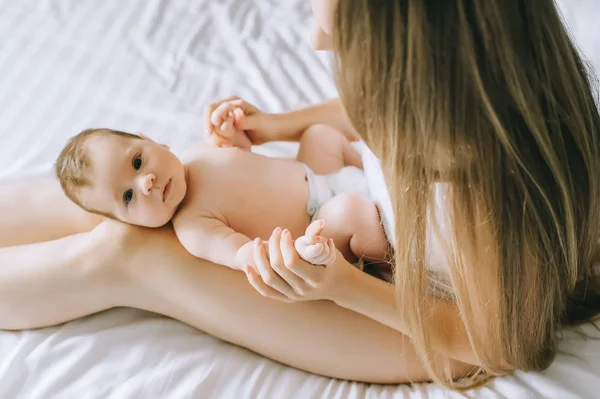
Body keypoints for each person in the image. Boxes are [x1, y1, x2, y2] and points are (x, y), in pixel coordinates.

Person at [1, 0, 599, 390]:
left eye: (333, 29)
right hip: (382, 223)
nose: (315, 40)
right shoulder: (469, 92)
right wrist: (276, 126)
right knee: (116, 190)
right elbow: (380, 115)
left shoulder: (486, 194)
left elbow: (489, 341)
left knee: (132, 247)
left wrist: (342, 284)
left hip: (425, 323)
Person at [53, 123, 387, 274]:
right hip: (320, 223)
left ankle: (383, 168)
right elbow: (242, 254)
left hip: (316, 175)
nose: (146, 183)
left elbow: (244, 154)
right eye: (128, 196)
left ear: (151, 140)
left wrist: (233, 132)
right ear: (129, 222)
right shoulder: (193, 227)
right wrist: (289, 253)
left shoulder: (199, 152)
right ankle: (390, 265)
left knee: (320, 134)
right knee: (352, 212)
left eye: (138, 162)